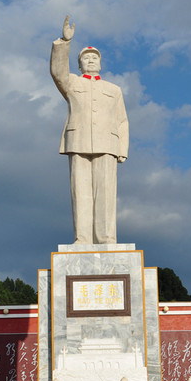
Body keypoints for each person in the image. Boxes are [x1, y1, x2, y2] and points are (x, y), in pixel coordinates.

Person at [50, 15, 129, 244]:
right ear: (80, 64)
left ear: (100, 63)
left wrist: (122, 148)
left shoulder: (114, 89)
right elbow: (57, 72)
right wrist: (64, 43)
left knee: (105, 194)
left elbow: (122, 120)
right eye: (86, 58)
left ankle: (106, 238)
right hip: (79, 141)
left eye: (95, 57)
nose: (91, 60)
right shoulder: (72, 83)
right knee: (81, 193)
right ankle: (82, 238)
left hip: (108, 144)